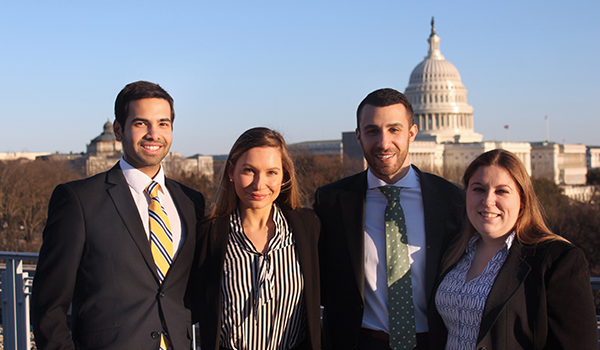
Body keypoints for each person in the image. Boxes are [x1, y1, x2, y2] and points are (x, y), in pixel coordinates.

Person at [31, 81, 205, 350]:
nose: (153, 134)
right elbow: (48, 306)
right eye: (140, 123)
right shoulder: (78, 200)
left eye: (163, 123)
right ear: (117, 130)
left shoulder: (191, 202)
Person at [314, 88, 465, 350]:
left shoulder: (450, 200)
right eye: (372, 131)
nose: (384, 143)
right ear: (359, 136)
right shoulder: (331, 201)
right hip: (361, 342)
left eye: (394, 129)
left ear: (412, 133)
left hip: (435, 343)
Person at [430, 149, 598, 349]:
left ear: (522, 200)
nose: (488, 201)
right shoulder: (454, 251)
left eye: (501, 191)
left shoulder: (557, 259)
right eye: (478, 189)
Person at [190, 127, 321, 350]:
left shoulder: (309, 228)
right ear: (231, 171)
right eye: (249, 170)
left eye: (271, 172)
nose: (259, 184)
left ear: (284, 175)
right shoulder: (208, 234)